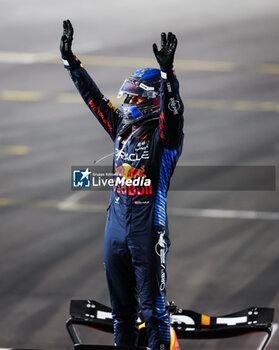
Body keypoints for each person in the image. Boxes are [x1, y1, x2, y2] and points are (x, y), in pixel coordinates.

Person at [60, 19, 184, 350]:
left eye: (134, 99)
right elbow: (93, 99)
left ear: (150, 102)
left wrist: (168, 76)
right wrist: (71, 62)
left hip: (148, 231)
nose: (127, 105)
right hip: (114, 227)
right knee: (121, 316)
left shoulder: (166, 140)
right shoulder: (122, 128)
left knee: (155, 314)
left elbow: (174, 116)